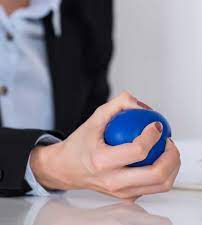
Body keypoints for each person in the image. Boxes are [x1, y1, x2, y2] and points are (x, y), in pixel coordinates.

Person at [0, 0, 180, 199]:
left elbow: (89, 110)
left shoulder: (91, 6)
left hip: (61, 209)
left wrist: (109, 160)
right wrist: (47, 165)